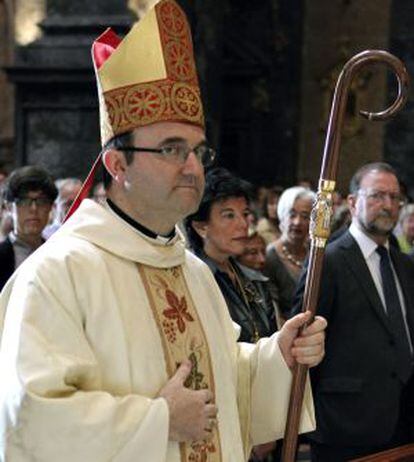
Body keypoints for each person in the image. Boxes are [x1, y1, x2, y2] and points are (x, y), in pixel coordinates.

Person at [0, 2, 326, 460]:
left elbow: (223, 381)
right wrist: (158, 421)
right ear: (117, 164)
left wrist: (279, 358)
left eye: (197, 149)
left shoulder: (193, 272)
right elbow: (27, 417)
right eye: (172, 149)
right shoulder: (58, 273)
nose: (192, 166)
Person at [293, 162, 414, 462]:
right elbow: (303, 340)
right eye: (376, 196)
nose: (387, 205)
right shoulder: (329, 261)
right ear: (352, 201)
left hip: (404, 419)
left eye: (394, 198)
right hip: (345, 423)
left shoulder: (404, 265)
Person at [0, 165, 57, 291]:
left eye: (42, 201)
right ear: (9, 207)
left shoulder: (58, 255)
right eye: (24, 201)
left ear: (50, 208)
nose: (33, 209)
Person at [265, 186, 315, 317]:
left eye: (305, 216)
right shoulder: (270, 256)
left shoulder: (315, 253)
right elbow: (272, 309)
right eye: (292, 215)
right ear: (282, 215)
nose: (297, 222)